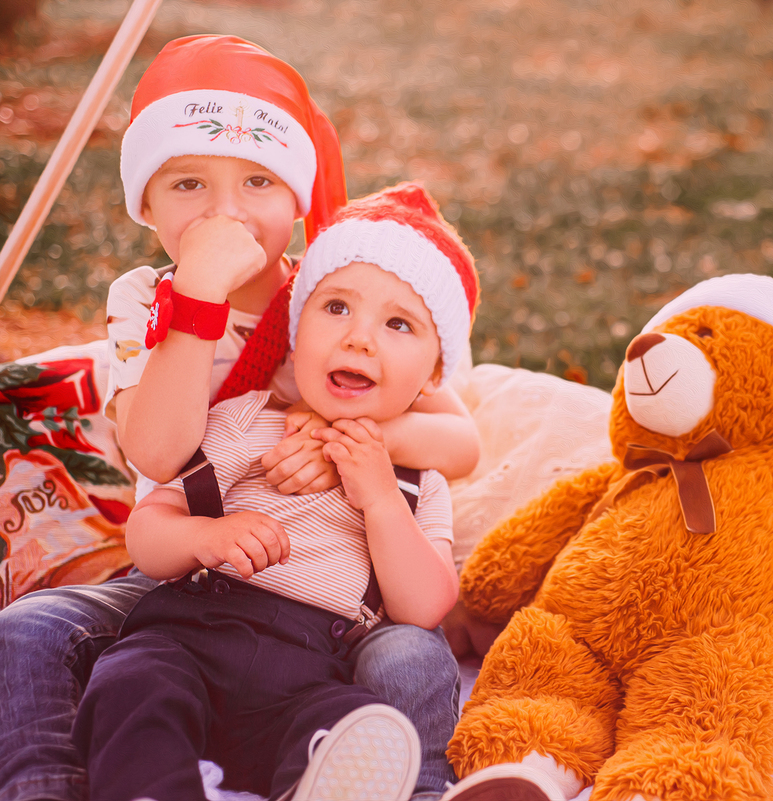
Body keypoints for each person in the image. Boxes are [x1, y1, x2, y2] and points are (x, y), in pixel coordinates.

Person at [0, 36, 476, 801]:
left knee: (408, 659)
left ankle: (409, 786)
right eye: (188, 183)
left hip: (328, 598)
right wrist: (198, 303)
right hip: (193, 570)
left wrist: (347, 443)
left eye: (258, 180)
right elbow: (160, 450)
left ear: (299, 202)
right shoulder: (144, 303)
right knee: (30, 630)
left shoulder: (330, 300)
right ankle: (48, 783)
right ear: (146, 205)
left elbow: (462, 440)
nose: (225, 212)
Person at [72, 181, 475, 801]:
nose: (359, 338)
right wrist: (203, 534)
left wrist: (379, 499)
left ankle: (320, 787)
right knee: (134, 682)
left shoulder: (415, 479)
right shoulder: (246, 419)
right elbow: (148, 534)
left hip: (311, 667)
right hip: (192, 631)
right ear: (294, 330)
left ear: (433, 375)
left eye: (398, 324)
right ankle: (155, 788)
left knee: (347, 726)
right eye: (335, 308)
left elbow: (423, 609)